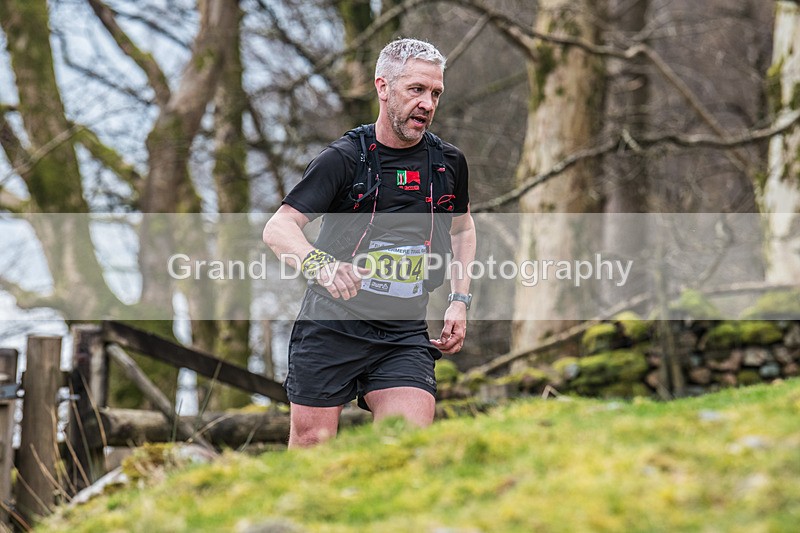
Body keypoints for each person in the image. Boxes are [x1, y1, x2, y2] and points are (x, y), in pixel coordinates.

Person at [263, 37, 476, 448]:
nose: (427, 104)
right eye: (416, 89)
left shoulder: (448, 163)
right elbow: (279, 227)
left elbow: (463, 228)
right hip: (332, 325)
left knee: (405, 447)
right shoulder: (344, 159)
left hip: (402, 332)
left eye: (435, 93)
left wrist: (458, 300)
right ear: (383, 87)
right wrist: (320, 264)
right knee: (312, 450)